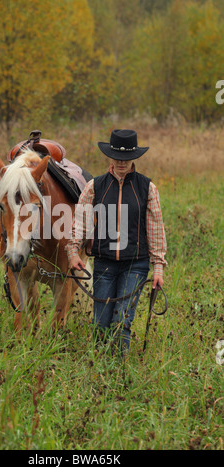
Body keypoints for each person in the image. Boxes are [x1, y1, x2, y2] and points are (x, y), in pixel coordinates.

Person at [65, 129, 167, 356]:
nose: (121, 163)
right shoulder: (95, 186)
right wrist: (73, 252)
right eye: (117, 157)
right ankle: (100, 369)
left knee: (122, 319)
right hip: (105, 263)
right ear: (110, 156)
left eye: (126, 158)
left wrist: (158, 267)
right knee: (100, 323)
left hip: (136, 265)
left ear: (134, 158)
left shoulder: (147, 187)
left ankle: (119, 369)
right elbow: (80, 223)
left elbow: (155, 229)